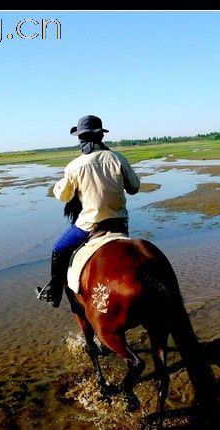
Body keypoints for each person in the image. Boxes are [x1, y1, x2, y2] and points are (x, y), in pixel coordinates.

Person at [36, 115, 141, 307]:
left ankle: (55, 292)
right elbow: (134, 188)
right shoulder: (117, 158)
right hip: (120, 224)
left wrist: (60, 185)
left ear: (81, 139)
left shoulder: (75, 166)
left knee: (58, 248)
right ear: (101, 136)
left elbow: (64, 196)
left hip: (89, 225)